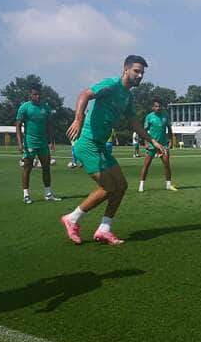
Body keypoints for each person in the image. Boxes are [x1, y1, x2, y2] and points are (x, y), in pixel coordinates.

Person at [60, 56, 166, 245]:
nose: (140, 75)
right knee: (108, 187)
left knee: (122, 185)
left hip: (101, 145)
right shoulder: (110, 84)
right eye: (136, 71)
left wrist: (152, 141)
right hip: (87, 143)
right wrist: (78, 119)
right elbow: (84, 94)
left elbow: (133, 122)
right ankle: (72, 218)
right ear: (126, 70)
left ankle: (104, 229)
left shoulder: (128, 96)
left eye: (142, 72)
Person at [15, 85, 61, 203]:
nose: (37, 96)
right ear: (30, 95)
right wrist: (20, 143)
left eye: (38, 94)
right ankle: (26, 195)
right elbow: (18, 125)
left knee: (46, 168)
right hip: (30, 142)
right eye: (35, 94)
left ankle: (48, 194)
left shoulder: (45, 107)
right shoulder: (24, 107)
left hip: (43, 142)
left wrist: (51, 141)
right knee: (27, 168)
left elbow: (50, 125)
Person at [138, 99, 177, 192]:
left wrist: (171, 142)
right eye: (156, 106)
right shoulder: (149, 117)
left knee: (167, 164)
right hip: (152, 145)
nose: (158, 108)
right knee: (146, 165)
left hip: (163, 145)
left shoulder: (165, 116)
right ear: (153, 107)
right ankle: (141, 185)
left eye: (159, 106)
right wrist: (146, 143)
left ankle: (168, 184)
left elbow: (170, 130)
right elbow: (144, 131)